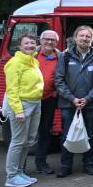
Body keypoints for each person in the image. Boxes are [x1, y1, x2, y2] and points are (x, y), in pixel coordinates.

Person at [55, 25, 93, 178]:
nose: (84, 39)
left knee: (90, 135)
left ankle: (89, 165)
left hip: (90, 104)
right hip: (68, 103)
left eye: (88, 36)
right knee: (66, 135)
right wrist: (72, 99)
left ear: (92, 39)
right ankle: (65, 166)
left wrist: (88, 98)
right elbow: (59, 80)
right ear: (75, 38)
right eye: (81, 36)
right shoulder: (65, 56)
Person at [3, 34, 44, 187]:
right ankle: (12, 176)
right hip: (22, 105)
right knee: (18, 141)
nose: (30, 46)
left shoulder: (33, 61)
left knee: (29, 141)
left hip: (35, 104)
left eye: (32, 43)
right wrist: (18, 110)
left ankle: (20, 172)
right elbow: (11, 90)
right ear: (19, 46)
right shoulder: (14, 63)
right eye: (26, 43)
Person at [33, 30, 61, 175]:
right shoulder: (31, 55)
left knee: (45, 132)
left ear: (56, 42)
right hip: (31, 99)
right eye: (46, 39)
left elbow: (63, 76)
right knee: (27, 134)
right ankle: (20, 166)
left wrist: (58, 90)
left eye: (53, 40)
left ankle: (41, 163)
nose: (49, 42)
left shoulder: (60, 57)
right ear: (41, 40)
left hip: (49, 99)